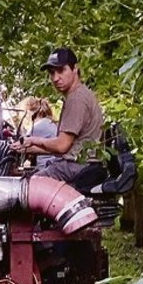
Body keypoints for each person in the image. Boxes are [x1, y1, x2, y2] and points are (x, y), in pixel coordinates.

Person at [21, 47, 105, 183]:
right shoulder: (79, 94)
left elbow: (61, 146)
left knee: (27, 186)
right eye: (51, 73)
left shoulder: (76, 99)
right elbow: (66, 148)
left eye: (61, 70)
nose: (55, 78)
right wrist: (26, 148)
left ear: (75, 69)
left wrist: (34, 140)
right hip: (80, 164)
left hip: (78, 167)